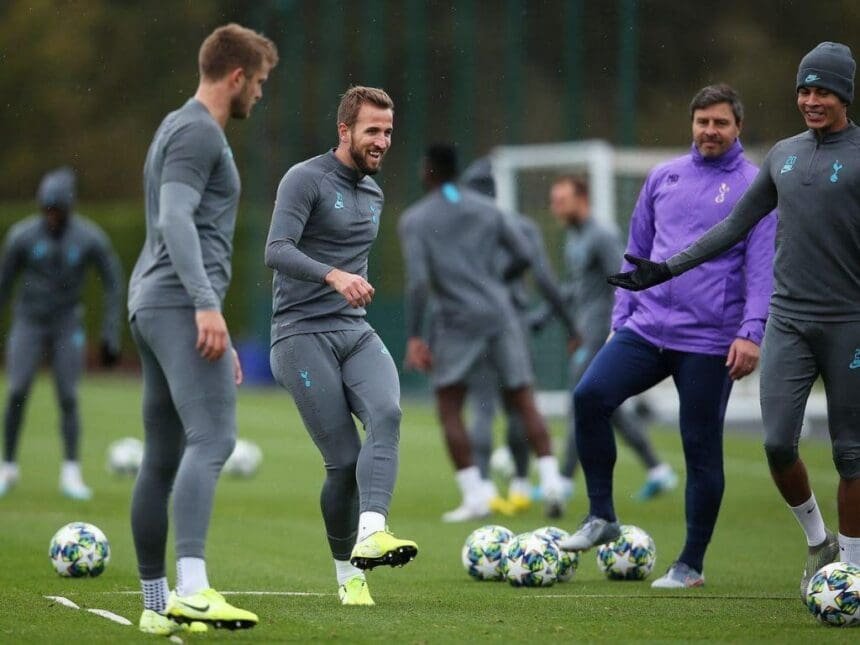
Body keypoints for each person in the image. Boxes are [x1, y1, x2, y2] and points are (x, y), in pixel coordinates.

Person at [609, 43, 860, 595]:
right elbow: (732, 230)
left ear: (844, 95)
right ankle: (819, 542)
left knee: (850, 452)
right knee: (777, 445)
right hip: (789, 321)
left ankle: (851, 570)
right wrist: (662, 270)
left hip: (849, 324)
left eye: (823, 91)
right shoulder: (783, 157)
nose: (811, 100)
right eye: (805, 90)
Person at [561, 83, 777, 590]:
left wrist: (751, 331)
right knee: (589, 396)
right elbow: (635, 251)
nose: (710, 131)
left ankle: (690, 564)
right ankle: (601, 515)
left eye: (720, 122)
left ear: (737, 127)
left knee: (700, 447)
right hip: (646, 328)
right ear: (692, 124)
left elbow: (761, 268)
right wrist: (623, 313)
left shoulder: (755, 186)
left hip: (709, 339)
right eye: (702, 122)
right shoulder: (664, 176)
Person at [127, 23, 277, 635]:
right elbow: (175, 218)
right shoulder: (198, 131)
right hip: (176, 305)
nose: (260, 96)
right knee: (213, 439)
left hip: (152, 304)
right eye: (260, 83)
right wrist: (206, 304)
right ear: (236, 76)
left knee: (162, 455)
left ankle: (156, 603)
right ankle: (192, 588)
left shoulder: (173, 123)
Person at [266, 86, 417, 608]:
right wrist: (333, 276)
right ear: (344, 131)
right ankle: (347, 574)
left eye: (389, 131)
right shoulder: (304, 179)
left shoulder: (374, 192)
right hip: (300, 334)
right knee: (343, 461)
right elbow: (276, 249)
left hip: (354, 331)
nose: (382, 141)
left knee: (389, 413)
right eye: (373, 130)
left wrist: (348, 286)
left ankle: (372, 531)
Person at [400, 144, 566, 522]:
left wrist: (414, 337)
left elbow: (419, 283)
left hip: (457, 321)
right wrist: (492, 284)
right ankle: (553, 482)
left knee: (449, 406)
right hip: (502, 314)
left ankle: (476, 495)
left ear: (428, 170)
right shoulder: (489, 210)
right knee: (523, 400)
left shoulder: (416, 219)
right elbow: (525, 255)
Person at [539, 175, 677, 501]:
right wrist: (550, 318)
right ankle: (659, 470)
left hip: (602, 329)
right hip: (585, 330)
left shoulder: (601, 235)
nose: (555, 207)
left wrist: (619, 329)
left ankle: (562, 481)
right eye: (553, 200)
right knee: (607, 406)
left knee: (581, 398)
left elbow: (624, 279)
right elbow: (576, 287)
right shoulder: (574, 238)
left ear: (581, 198)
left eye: (562, 199)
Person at [458, 157, 578, 514]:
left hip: (473, 325)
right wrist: (572, 326)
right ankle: (524, 484)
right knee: (519, 405)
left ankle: (480, 490)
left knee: (480, 406)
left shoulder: (461, 231)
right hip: (513, 323)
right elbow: (544, 280)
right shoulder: (520, 226)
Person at [0, 167, 122, 501]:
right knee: (17, 390)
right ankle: (7, 465)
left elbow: (112, 282)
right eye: (46, 208)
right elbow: (4, 284)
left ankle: (71, 471)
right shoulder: (22, 236)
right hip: (29, 320)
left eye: (56, 209)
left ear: (68, 208)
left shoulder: (89, 238)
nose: (51, 215)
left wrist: (110, 331)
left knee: (68, 395)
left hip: (67, 322)